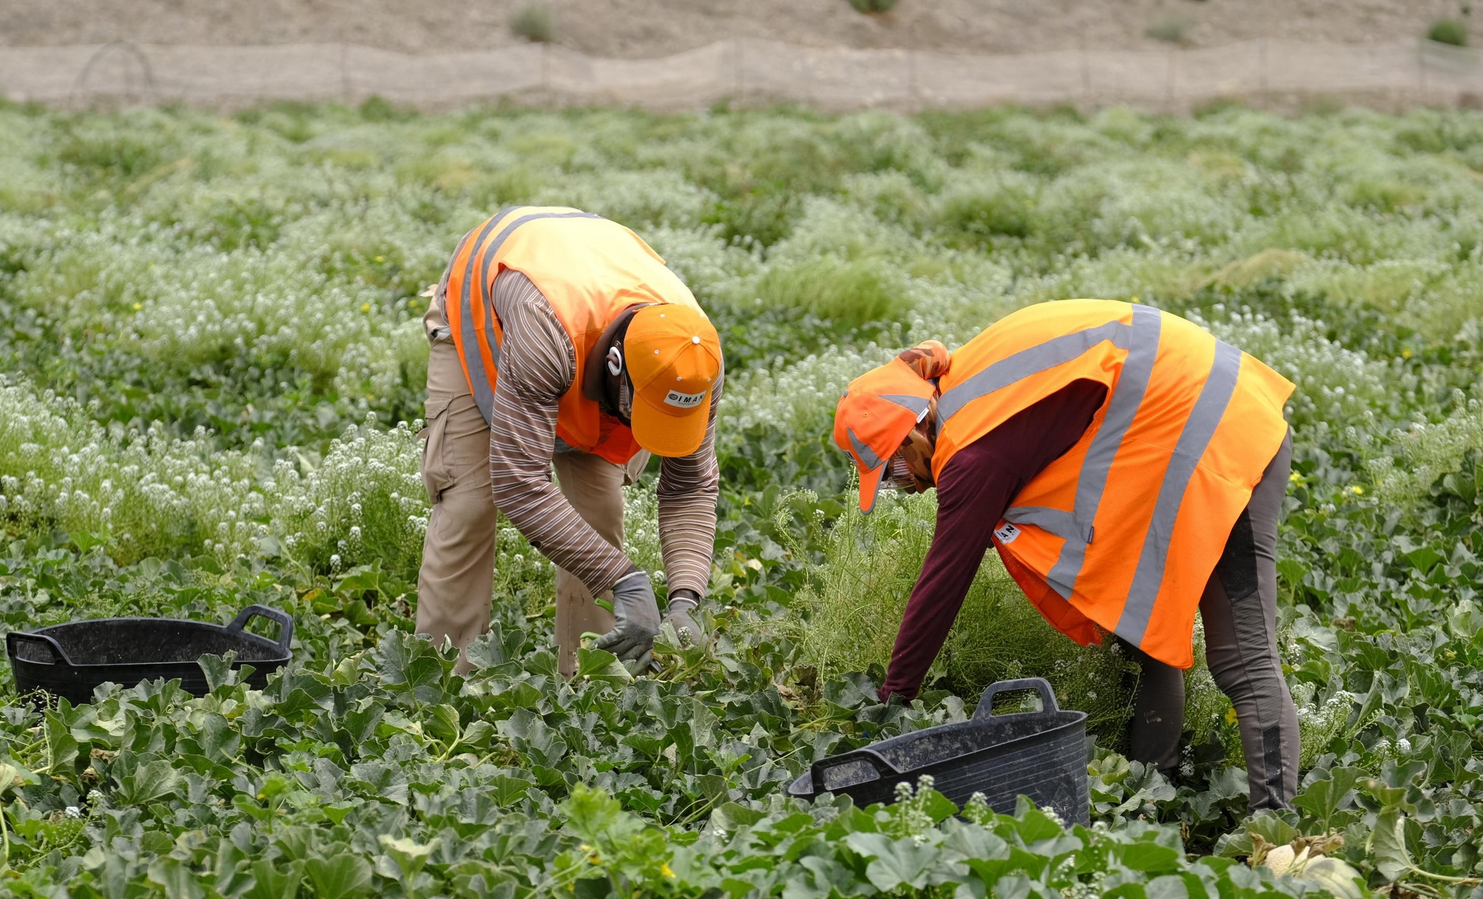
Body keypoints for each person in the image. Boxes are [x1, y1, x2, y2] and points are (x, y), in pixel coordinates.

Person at [831, 298, 1300, 812]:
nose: (904, 485)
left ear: (913, 435)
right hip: (1206, 410)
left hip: (1223, 438)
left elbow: (943, 583)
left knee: (1241, 658)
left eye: (894, 472)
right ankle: (1151, 792)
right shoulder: (965, 386)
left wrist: (894, 698)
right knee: (1140, 629)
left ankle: (1277, 832)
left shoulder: (971, 452)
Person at [418, 206, 720, 677]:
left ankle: (591, 679)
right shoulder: (545, 328)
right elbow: (520, 485)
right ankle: (436, 681)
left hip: (586, 332)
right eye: (644, 414)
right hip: (486, 322)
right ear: (616, 368)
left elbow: (690, 485)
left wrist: (686, 596)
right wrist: (623, 579)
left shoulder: (693, 357)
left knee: (599, 512)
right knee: (470, 505)